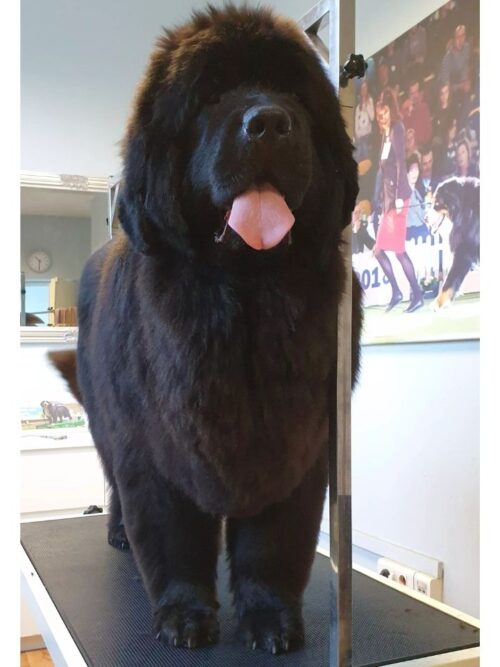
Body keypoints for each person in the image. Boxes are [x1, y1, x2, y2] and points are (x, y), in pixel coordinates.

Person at [373, 88, 424, 313]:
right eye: (378, 114)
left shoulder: (397, 129)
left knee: (398, 250)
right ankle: (397, 292)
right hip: (388, 202)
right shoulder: (385, 134)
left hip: (398, 199)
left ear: (391, 111)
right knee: (380, 251)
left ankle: (417, 294)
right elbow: (384, 170)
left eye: (384, 113)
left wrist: (400, 197)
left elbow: (401, 163)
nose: (381, 117)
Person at [402, 77, 433, 147]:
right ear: (408, 95)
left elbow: (429, 131)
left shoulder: (424, 107)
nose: (415, 96)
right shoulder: (404, 111)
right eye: (412, 93)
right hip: (409, 148)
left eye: (416, 92)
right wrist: (407, 113)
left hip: (422, 147)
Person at [405, 154, 429, 242]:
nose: (414, 173)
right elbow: (421, 215)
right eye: (412, 170)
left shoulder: (416, 191)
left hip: (419, 230)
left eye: (416, 170)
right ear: (407, 172)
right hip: (412, 232)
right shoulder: (406, 192)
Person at [354, 79, 375, 161]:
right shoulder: (358, 106)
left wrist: (366, 105)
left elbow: (372, 117)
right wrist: (357, 134)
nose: (363, 90)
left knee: (365, 153)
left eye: (365, 88)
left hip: (367, 134)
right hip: (360, 135)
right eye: (362, 88)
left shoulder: (370, 101)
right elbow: (356, 122)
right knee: (358, 154)